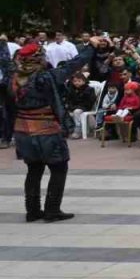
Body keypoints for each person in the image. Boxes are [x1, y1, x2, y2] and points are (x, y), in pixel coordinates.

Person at [3, 37, 102, 221]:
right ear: (39, 59)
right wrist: (91, 47)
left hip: (22, 130)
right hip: (46, 129)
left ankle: (32, 210)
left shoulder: (12, 79)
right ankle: (52, 209)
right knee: (58, 167)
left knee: (33, 169)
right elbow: (74, 64)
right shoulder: (46, 77)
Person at [64, 73, 97, 140]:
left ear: (84, 81)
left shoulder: (89, 89)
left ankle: (78, 130)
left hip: (84, 107)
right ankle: (67, 129)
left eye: (79, 81)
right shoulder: (71, 90)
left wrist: (78, 107)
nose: (77, 83)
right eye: (75, 81)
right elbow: (69, 100)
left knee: (77, 112)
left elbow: (90, 101)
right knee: (63, 111)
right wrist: (70, 107)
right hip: (74, 107)